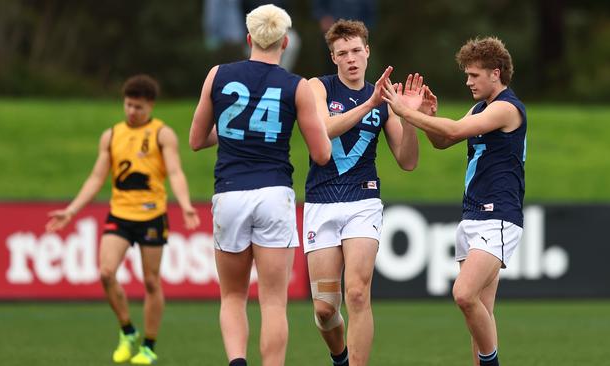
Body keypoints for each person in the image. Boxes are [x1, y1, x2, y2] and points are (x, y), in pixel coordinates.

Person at [189, 4, 331, 366]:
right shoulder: (295, 86)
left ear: (249, 38)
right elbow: (321, 154)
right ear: (285, 42)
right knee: (272, 301)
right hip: (273, 194)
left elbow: (196, 138)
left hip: (230, 193)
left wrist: (238, 133)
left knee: (233, 296)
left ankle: (237, 361)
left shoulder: (218, 74)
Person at [381, 36, 527, 366]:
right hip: (473, 217)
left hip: (498, 217)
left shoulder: (506, 108)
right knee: (481, 315)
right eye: (467, 74)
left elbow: (455, 131)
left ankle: (492, 363)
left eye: (474, 75)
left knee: (463, 294)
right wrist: (426, 115)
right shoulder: (480, 108)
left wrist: (405, 111)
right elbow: (443, 139)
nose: (468, 81)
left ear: (496, 73)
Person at [45, 74, 199, 365]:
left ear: (150, 106)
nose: (131, 111)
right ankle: (128, 330)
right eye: (128, 105)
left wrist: (186, 205)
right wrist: (71, 210)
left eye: (138, 107)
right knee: (105, 272)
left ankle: (148, 347)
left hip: (152, 215)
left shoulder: (162, 134)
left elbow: (176, 172)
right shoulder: (112, 135)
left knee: (151, 282)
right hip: (120, 215)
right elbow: (96, 177)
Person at [304, 20, 420, 366]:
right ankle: (339, 356)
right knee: (325, 308)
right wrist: (370, 103)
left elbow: (407, 160)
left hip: (363, 201)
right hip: (321, 202)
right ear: (333, 57)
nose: (351, 58)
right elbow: (323, 130)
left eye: (356, 51)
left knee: (357, 293)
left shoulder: (384, 102)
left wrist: (410, 117)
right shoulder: (318, 87)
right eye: (343, 53)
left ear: (367, 52)